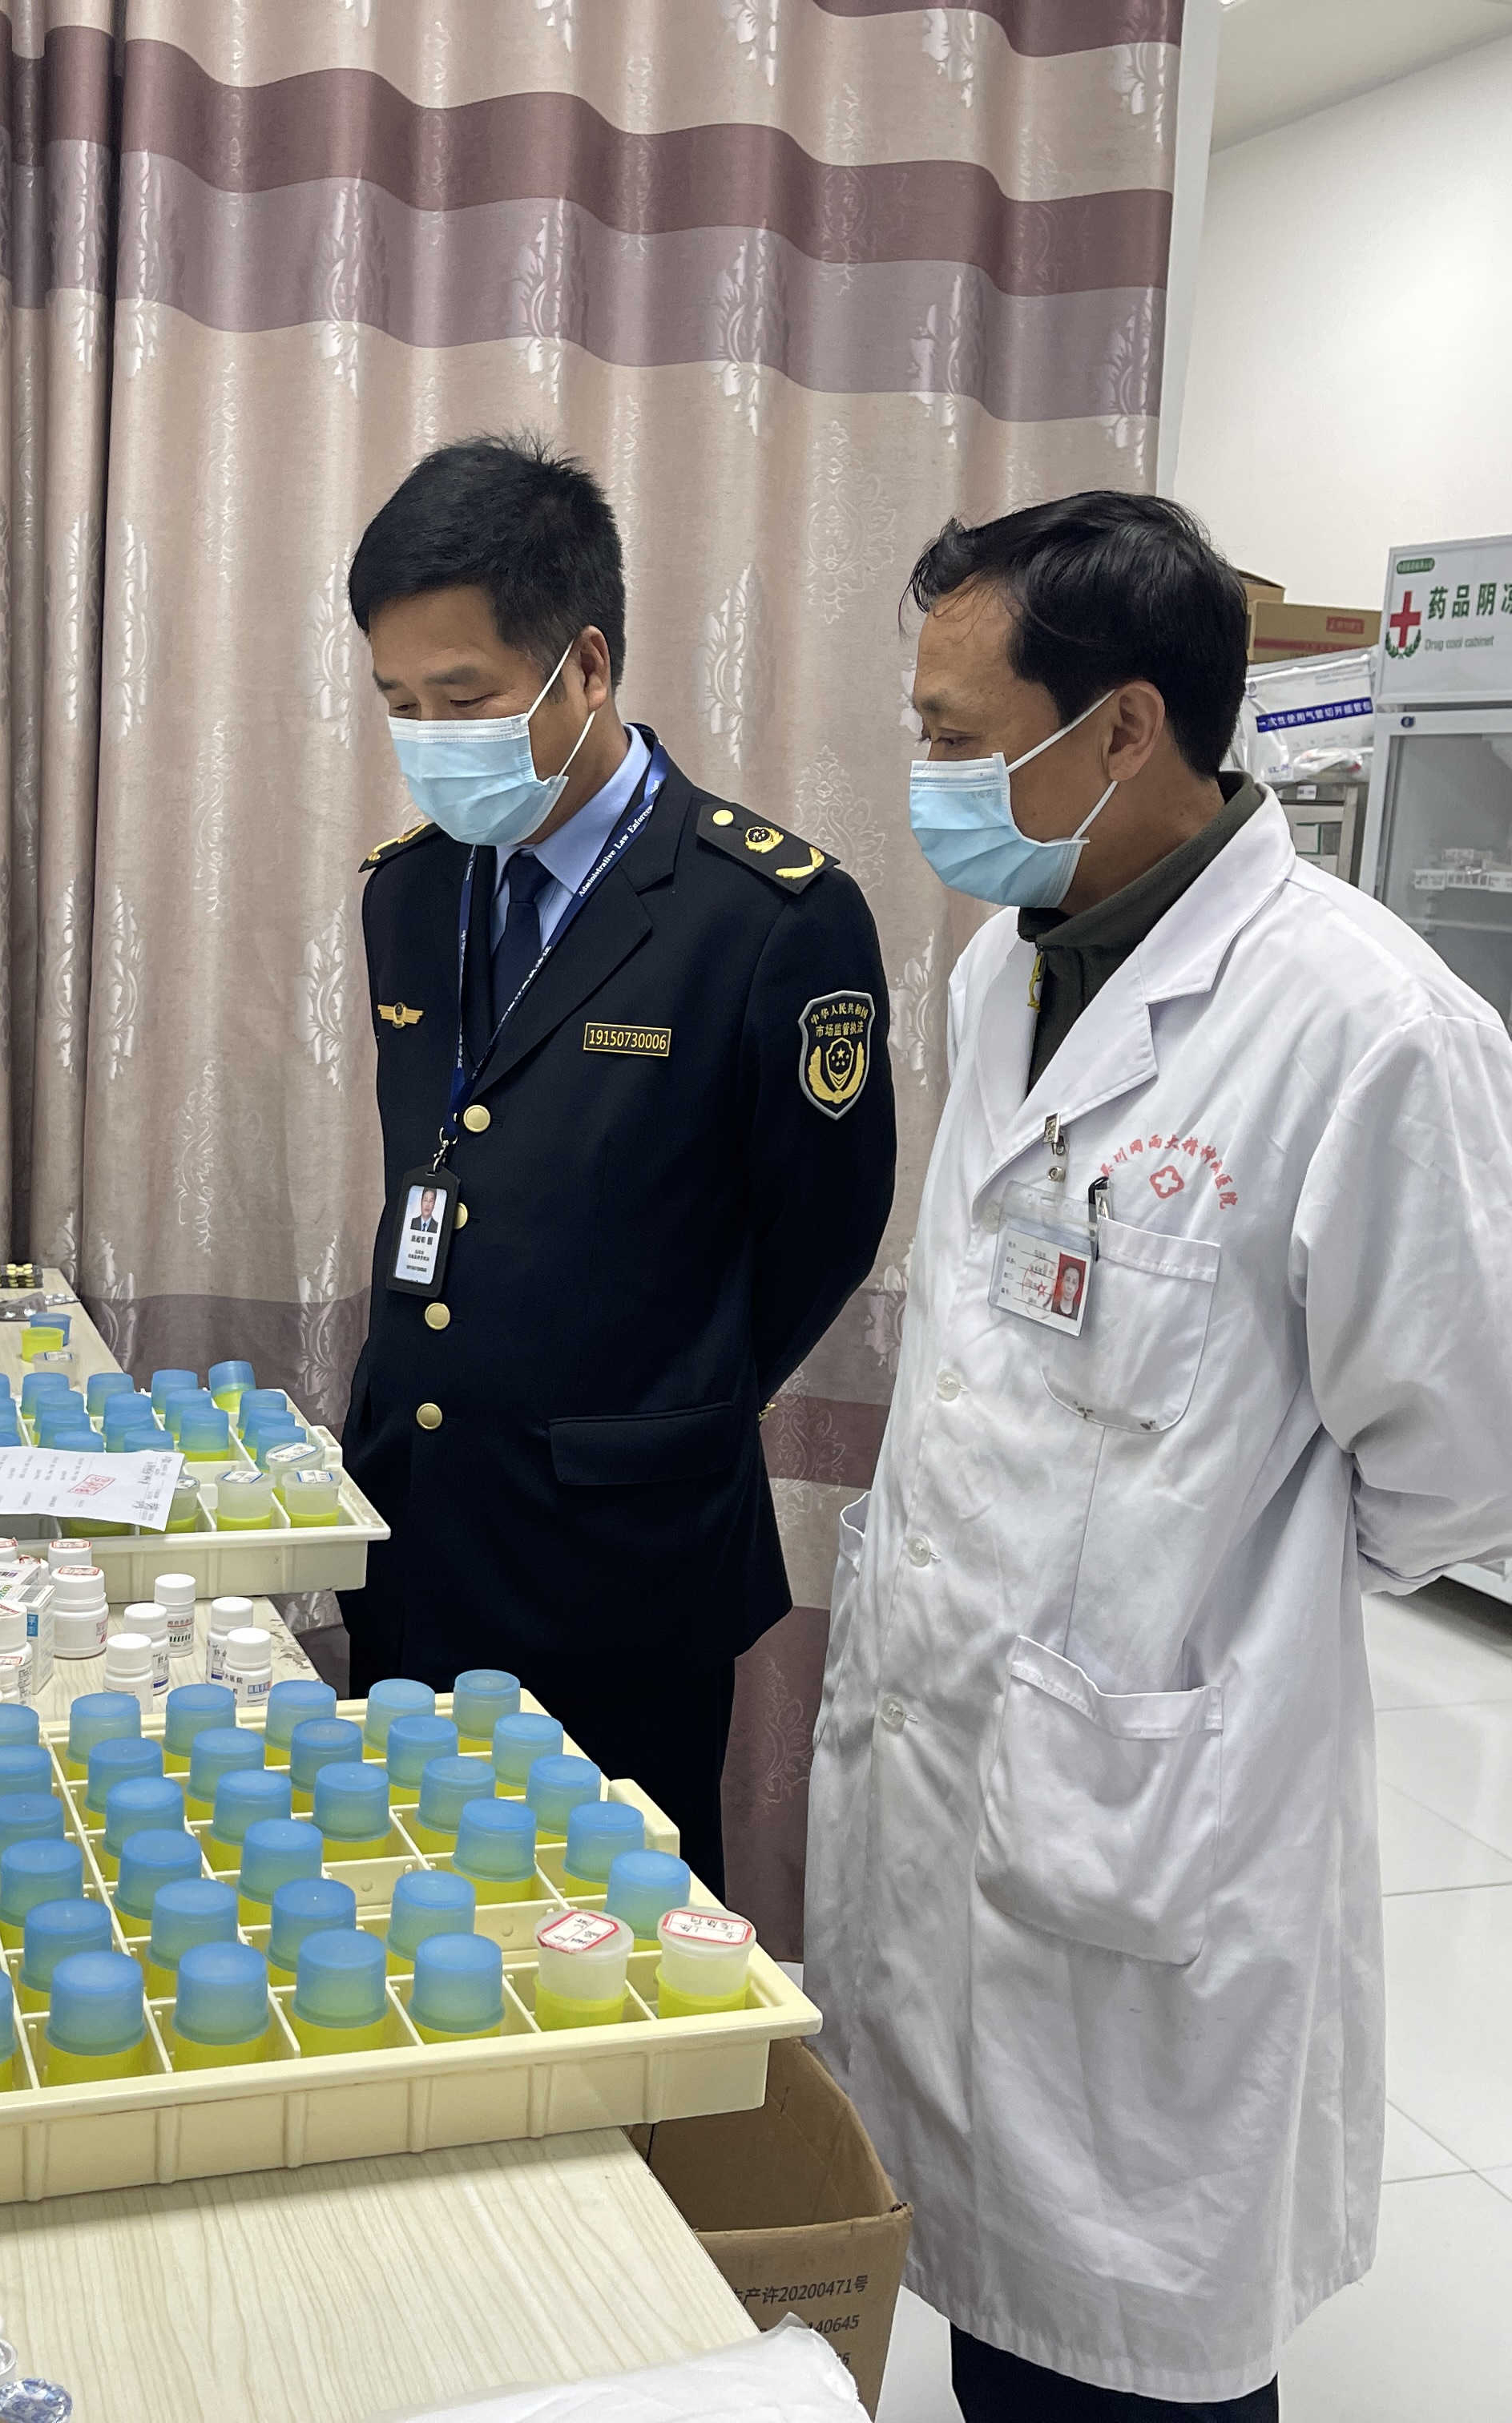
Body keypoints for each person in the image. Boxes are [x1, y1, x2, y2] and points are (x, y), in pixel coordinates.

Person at [804, 493, 1512, 2416]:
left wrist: (1236, 1592)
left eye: (961, 737)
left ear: (1127, 728)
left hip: (1150, 1800)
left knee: (1126, 2359)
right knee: (984, 2303)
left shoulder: (1371, 1029)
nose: (929, 777)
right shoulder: (1009, 967)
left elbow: (1490, 1460)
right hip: (963, 1749)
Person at [333, 433, 897, 1892]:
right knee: (400, 1903)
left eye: (465, 697)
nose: (429, 734)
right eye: (399, 702)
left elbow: (825, 1229)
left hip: (623, 1549)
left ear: (585, 666)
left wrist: (663, 1402)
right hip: (419, 1511)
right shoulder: (412, 892)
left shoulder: (764, 916)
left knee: (613, 1930)